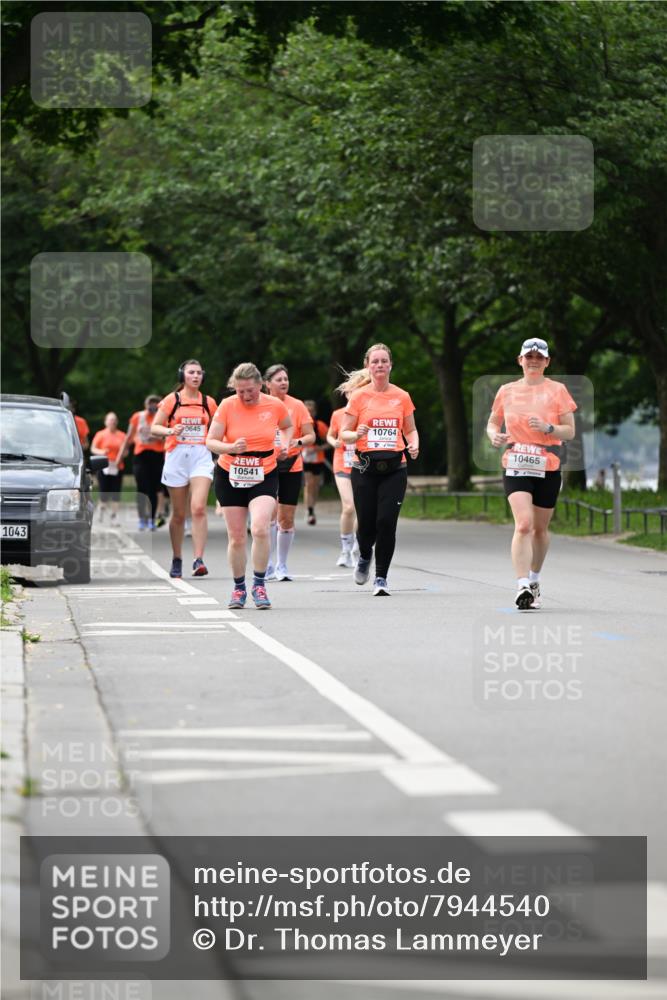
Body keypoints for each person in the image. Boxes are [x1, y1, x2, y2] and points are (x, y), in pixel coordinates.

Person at [486, 337, 576, 610]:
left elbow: (569, 431)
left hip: (547, 463)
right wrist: (493, 435)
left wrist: (549, 428)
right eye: (529, 356)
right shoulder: (507, 390)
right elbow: (492, 421)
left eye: (539, 357)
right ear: (520, 360)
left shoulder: (558, 390)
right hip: (516, 461)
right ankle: (522, 584)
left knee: (539, 529)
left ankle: (535, 579)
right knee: (523, 524)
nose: (533, 361)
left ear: (547, 362)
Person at [206, 363, 292, 610]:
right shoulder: (227, 406)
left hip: (263, 472)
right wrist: (230, 447)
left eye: (250, 391)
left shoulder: (274, 405)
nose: (245, 396)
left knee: (261, 528)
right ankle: (238, 588)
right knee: (236, 537)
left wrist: (284, 444)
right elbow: (211, 441)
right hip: (230, 473)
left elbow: (286, 426)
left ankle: (259, 584)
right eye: (240, 391)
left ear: (260, 386)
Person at [339, 343, 419, 596]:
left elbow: (410, 429)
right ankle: (364, 556)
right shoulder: (359, 397)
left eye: (384, 361)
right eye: (375, 361)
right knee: (367, 524)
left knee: (387, 522)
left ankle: (381, 577)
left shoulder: (402, 396)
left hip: (395, 468)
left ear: (390, 365)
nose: (380, 365)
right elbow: (344, 433)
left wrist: (414, 444)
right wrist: (356, 433)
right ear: (368, 366)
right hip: (364, 468)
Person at [150, 360, 217, 578]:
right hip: (177, 456)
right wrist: (171, 430)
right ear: (183, 375)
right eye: (191, 372)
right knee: (179, 514)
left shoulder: (209, 402)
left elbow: (219, 429)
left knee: (198, 508)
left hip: (201, 456)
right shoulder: (173, 400)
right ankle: (177, 557)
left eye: (199, 372)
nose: (196, 376)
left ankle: (198, 560)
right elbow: (154, 428)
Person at [263, 364, 316, 581]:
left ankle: (281, 565)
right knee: (268, 515)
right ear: (267, 384)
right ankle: (265, 564)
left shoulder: (297, 406)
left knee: (286, 517)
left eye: (286, 378)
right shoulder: (261, 404)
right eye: (278, 379)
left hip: (292, 464)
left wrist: (298, 441)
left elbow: (311, 435)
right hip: (267, 464)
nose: (284, 382)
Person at [117, 394, 166, 531]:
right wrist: (119, 457)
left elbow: (167, 437)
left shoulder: (162, 418)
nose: (153, 406)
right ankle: (142, 519)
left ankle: (151, 519)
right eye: (151, 403)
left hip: (156, 456)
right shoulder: (138, 417)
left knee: (154, 489)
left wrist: (157, 436)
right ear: (146, 404)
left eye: (156, 404)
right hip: (141, 456)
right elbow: (129, 437)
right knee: (142, 488)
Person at [327, 390, 359, 568]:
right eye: (351, 392)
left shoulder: (365, 412)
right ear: (346, 394)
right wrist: (334, 443)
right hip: (342, 464)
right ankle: (345, 550)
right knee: (349, 507)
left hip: (361, 465)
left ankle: (356, 548)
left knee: (362, 510)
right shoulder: (338, 414)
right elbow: (330, 435)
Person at [91, 412, 126, 523]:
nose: (113, 422)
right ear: (106, 422)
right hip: (104, 466)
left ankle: (114, 516)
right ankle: (100, 511)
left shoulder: (122, 435)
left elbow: (126, 450)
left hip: (117, 466)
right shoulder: (100, 434)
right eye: (110, 420)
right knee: (104, 491)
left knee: (116, 492)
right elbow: (93, 449)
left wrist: (122, 455)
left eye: (114, 420)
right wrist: (102, 451)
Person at [302, 400, 329, 525]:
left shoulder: (320, 426)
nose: (309, 413)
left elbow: (331, 441)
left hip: (317, 458)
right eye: (306, 411)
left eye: (311, 411)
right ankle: (310, 511)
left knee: (315, 486)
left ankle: (312, 507)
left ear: (315, 412)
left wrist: (320, 448)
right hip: (304, 459)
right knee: (309, 484)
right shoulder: (299, 425)